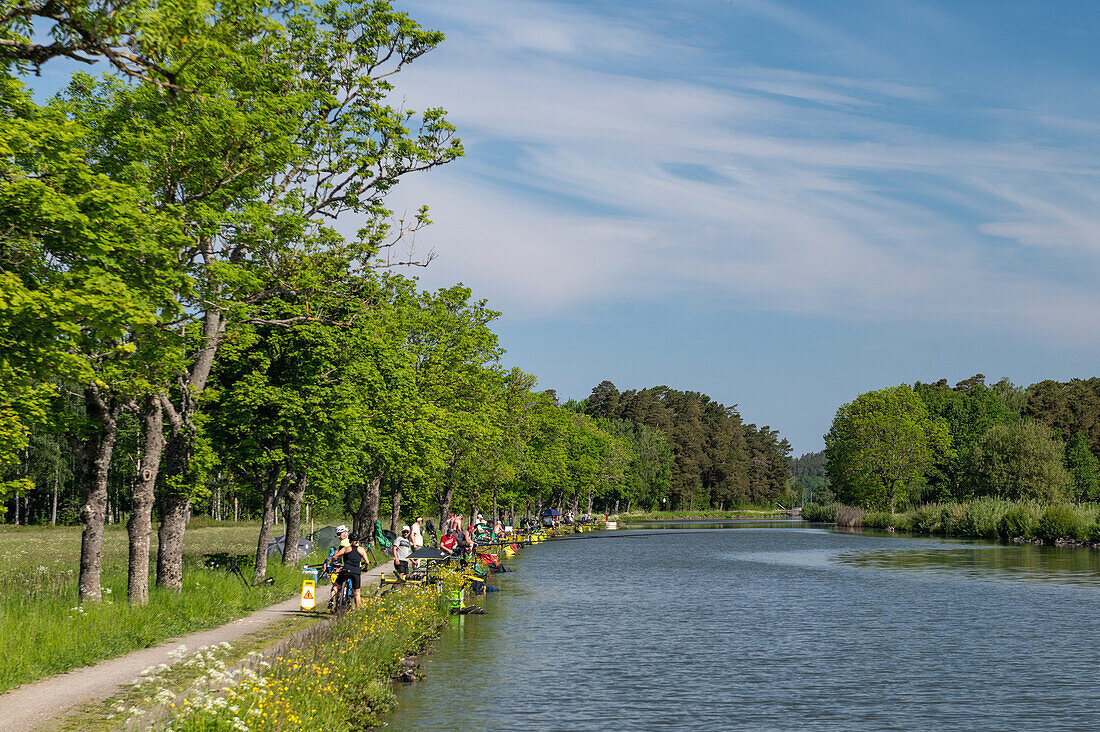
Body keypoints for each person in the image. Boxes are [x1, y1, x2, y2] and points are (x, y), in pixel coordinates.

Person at [331, 531, 369, 610]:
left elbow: (335, 556)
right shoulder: (361, 549)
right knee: (357, 592)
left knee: (336, 585)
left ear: (349, 540)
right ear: (358, 541)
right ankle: (358, 610)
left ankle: (331, 600)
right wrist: (365, 568)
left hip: (346, 570)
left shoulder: (346, 549)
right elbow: (367, 562)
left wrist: (332, 563)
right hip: (356, 571)